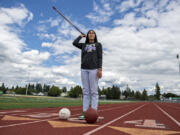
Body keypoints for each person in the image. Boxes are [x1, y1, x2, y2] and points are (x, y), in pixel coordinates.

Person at [73, 30, 103, 120]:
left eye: (93, 33)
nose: (91, 34)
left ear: (95, 35)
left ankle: (94, 112)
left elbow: (100, 57)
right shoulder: (83, 46)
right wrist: (80, 36)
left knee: (94, 91)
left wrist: (100, 69)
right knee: (86, 91)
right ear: (87, 35)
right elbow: (74, 43)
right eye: (89, 33)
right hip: (84, 69)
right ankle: (85, 112)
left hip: (94, 69)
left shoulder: (98, 45)